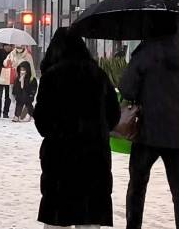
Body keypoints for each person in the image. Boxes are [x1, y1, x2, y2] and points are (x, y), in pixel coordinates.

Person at [119, 35, 179, 229]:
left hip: (147, 133)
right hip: (178, 136)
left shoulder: (144, 54)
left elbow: (126, 89)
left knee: (137, 186)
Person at [34, 28, 120, 229]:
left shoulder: (51, 77)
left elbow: (42, 123)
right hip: (94, 158)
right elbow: (113, 115)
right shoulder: (98, 75)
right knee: (89, 218)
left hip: (60, 160)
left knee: (58, 217)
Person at [0, 43, 14, 118]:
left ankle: (5, 112)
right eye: (6, 45)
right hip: (1, 74)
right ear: (3, 46)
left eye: (9, 45)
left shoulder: (13, 54)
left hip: (10, 75)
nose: (8, 47)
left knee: (8, 95)